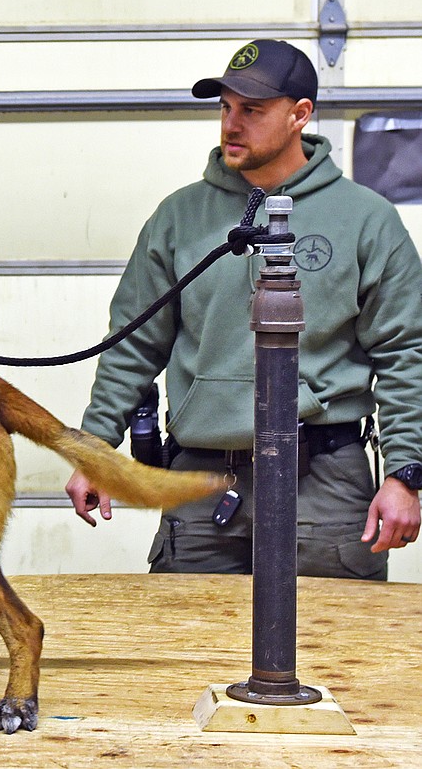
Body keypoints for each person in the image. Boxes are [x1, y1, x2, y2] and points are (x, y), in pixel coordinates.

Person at [64, 39, 422, 580]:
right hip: (204, 481)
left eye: (251, 110)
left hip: (322, 482)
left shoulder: (365, 219)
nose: (232, 124)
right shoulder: (180, 216)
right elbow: (133, 343)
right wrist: (95, 447)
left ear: (300, 114)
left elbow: (406, 353)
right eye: (225, 107)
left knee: (336, 653)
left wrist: (403, 473)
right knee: (188, 651)